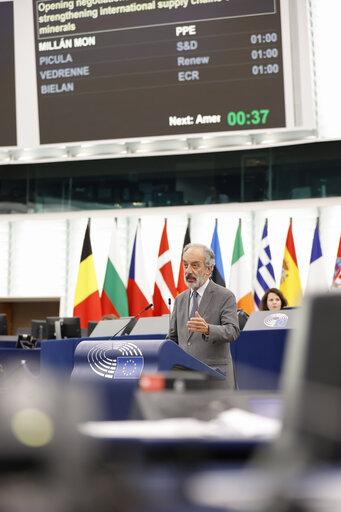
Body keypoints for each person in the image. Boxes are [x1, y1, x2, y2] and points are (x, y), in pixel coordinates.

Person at [167, 243, 240, 389]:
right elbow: (173, 338)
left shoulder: (225, 296)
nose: (188, 271)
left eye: (195, 266)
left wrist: (208, 329)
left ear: (209, 269)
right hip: (186, 380)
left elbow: (233, 331)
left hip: (216, 379)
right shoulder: (180, 299)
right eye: (185, 265)